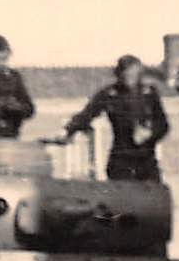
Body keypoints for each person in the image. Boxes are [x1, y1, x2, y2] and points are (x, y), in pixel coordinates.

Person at [64, 54, 170, 182]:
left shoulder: (149, 93)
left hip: (146, 161)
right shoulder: (110, 94)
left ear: (139, 74)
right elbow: (87, 114)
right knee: (121, 192)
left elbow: (163, 124)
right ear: (119, 74)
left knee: (153, 192)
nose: (129, 78)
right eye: (125, 74)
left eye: (133, 75)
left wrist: (150, 134)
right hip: (121, 160)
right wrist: (68, 129)